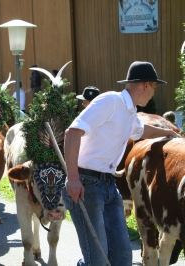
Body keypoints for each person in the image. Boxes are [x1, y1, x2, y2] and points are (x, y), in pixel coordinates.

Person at [63, 61, 181, 266]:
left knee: (122, 257)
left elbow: (141, 130)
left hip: (109, 186)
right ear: (145, 85)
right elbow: (73, 132)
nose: (153, 93)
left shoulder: (129, 112)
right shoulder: (110, 101)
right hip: (86, 183)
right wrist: (73, 178)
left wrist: (167, 133)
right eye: (154, 87)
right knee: (97, 258)